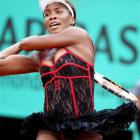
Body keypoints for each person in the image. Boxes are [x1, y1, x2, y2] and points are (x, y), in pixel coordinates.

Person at [0, 0, 137, 140]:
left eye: (58, 12)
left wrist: (21, 45)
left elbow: (29, 43)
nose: (52, 16)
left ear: (72, 19)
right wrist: (16, 47)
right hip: (50, 127)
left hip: (84, 126)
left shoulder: (80, 36)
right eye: (46, 15)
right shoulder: (39, 58)